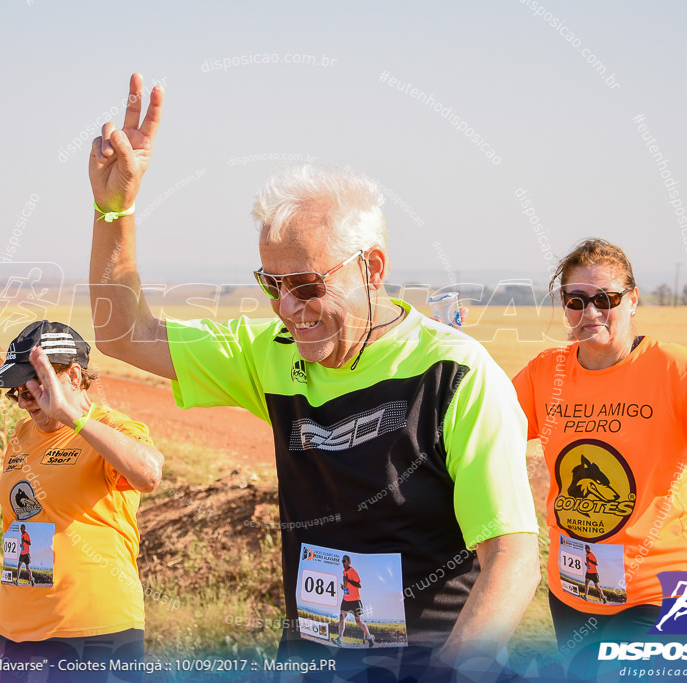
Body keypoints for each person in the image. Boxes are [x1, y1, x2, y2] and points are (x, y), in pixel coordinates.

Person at [86, 72, 540, 679]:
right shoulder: (271, 352)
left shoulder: (455, 374)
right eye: (271, 285)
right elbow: (124, 334)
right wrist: (115, 207)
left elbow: (511, 555)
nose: (287, 308)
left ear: (372, 267)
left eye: (306, 285)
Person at [512, 238, 687, 651]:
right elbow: (489, 433)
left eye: (605, 298)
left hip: (670, 585)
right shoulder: (544, 374)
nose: (590, 312)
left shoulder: (676, 371)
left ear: (633, 300)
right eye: (576, 300)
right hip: (575, 584)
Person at [0, 320, 164, 681]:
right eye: (16, 393)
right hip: (14, 630)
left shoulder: (113, 428)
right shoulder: (21, 434)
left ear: (74, 376)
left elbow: (150, 474)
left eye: (35, 387)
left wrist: (71, 417)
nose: (25, 402)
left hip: (91, 630)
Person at [336, 555, 374, 648]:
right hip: (346, 600)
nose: (343, 563)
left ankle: (369, 637)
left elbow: (358, 585)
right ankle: (340, 639)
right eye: (342, 561)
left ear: (349, 562)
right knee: (342, 618)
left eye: (344, 561)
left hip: (355, 601)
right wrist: (343, 587)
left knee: (358, 622)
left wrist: (348, 580)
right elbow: (346, 585)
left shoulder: (353, 571)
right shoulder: (344, 572)